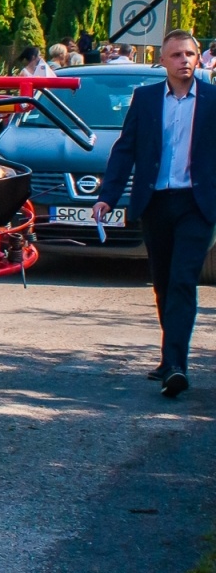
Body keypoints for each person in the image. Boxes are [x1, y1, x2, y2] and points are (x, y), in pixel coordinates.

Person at [95, 30, 216, 398]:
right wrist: (108, 197)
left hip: (197, 205)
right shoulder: (146, 99)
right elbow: (124, 150)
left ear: (198, 59)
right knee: (163, 281)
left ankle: (176, 365)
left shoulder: (212, 100)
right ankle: (169, 358)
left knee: (183, 279)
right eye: (177, 55)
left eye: (190, 54)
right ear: (162, 61)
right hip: (156, 204)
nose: (184, 61)